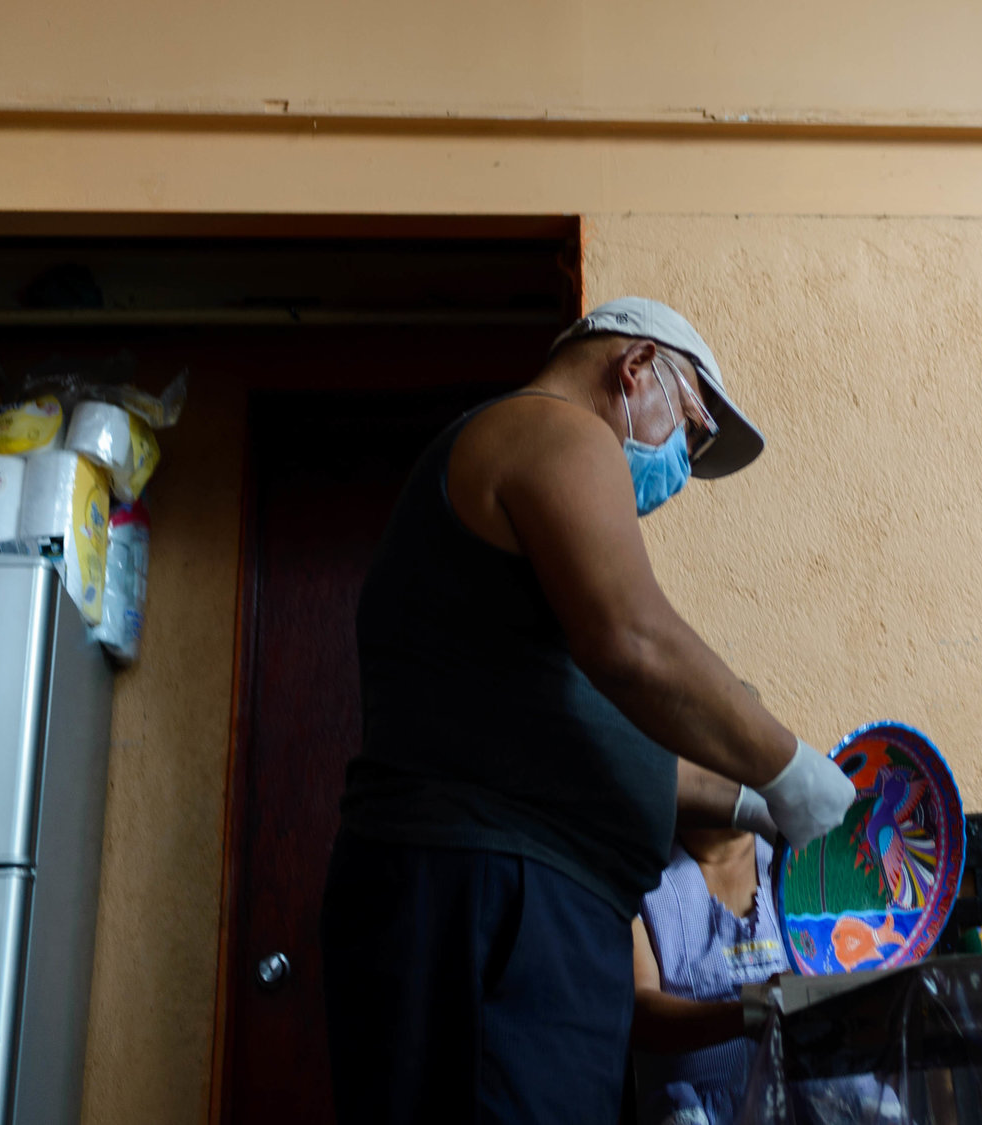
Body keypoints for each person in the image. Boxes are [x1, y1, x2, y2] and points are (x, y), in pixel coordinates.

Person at [321, 297, 858, 1125]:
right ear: (635, 368)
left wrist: (747, 802)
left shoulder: (532, 513)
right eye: (689, 426)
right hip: (488, 895)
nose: (683, 462)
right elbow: (638, 643)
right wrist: (791, 769)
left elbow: (589, 725)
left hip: (520, 899)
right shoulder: (558, 429)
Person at [627, 806, 785, 1125]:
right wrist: (755, 1009)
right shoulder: (639, 884)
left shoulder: (799, 871)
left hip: (802, 1098)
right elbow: (640, 1011)